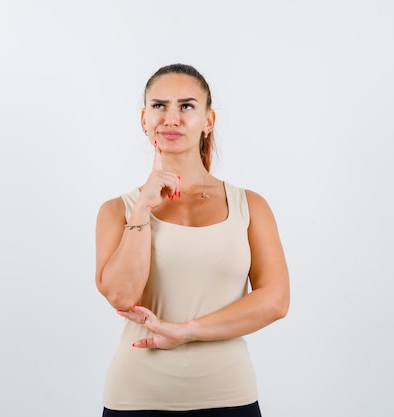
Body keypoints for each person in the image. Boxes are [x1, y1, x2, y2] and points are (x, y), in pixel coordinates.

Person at [94, 63, 290, 417]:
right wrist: (142, 212)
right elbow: (122, 296)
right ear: (143, 119)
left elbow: (275, 301)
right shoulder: (117, 210)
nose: (171, 118)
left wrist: (186, 331)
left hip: (229, 396)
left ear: (208, 120)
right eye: (159, 106)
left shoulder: (249, 206)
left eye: (186, 106)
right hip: (135, 398)